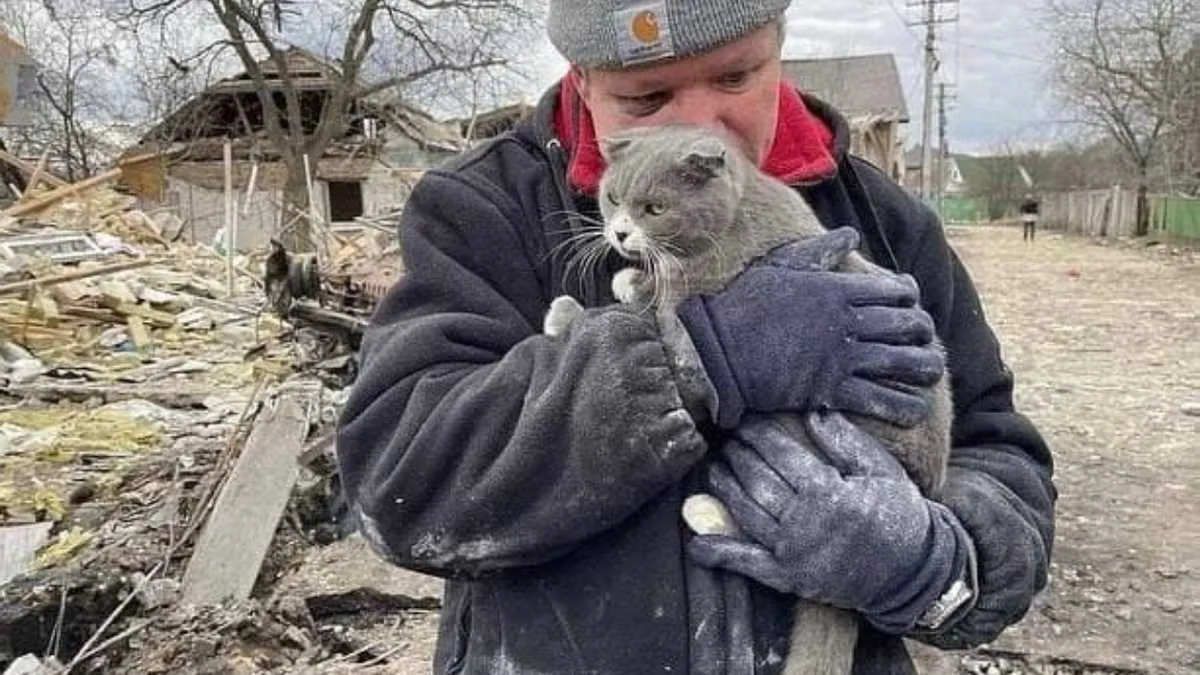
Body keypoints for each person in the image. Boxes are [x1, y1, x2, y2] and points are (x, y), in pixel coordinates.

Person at [336, 2, 1056, 673]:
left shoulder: (884, 219)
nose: (698, 128)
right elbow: (398, 484)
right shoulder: (483, 210)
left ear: (777, 49)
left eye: (734, 77)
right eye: (646, 97)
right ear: (584, 82)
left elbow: (1000, 460)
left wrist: (927, 565)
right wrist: (687, 358)